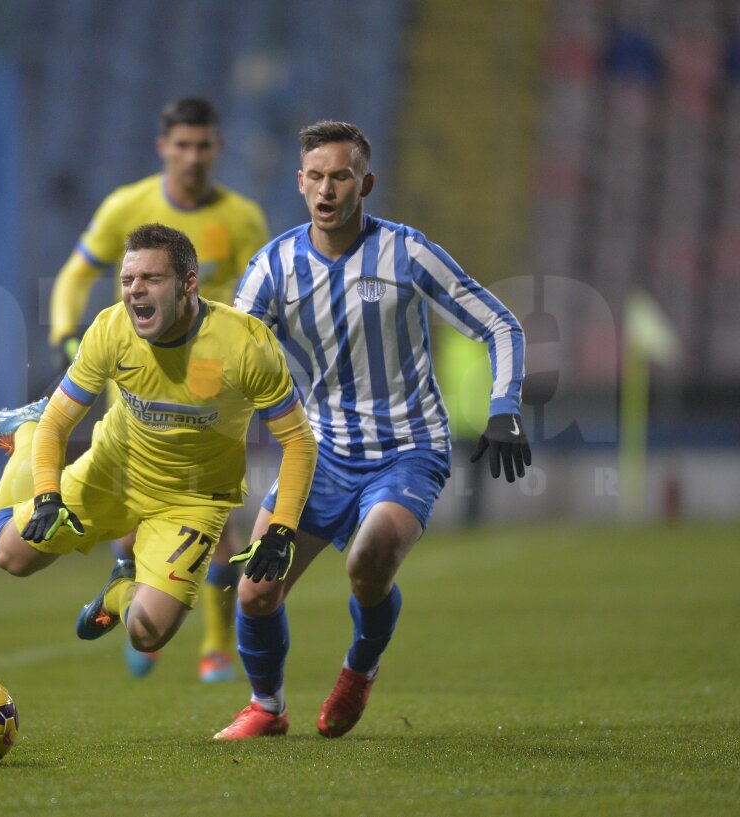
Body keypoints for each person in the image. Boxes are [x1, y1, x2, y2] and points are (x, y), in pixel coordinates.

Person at [215, 121, 530, 739]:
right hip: (320, 455)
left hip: (409, 448)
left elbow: (500, 324)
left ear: (366, 183)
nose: (327, 190)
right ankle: (268, 708)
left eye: (341, 176)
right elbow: (229, 359)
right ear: (300, 182)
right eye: (316, 177)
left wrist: (505, 406)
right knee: (254, 593)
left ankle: (361, 665)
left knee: (369, 558)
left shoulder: (406, 253)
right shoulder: (273, 268)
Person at [0, 224, 316, 669]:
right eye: (127, 280)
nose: (135, 291)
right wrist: (46, 494)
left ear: (188, 283)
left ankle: (119, 591)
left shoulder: (246, 345)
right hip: (113, 471)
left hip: (192, 501)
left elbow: (298, 442)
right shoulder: (111, 329)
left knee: (146, 632)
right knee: (10, 555)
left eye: (151, 279)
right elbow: (58, 421)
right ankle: (24, 431)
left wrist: (282, 529)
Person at [47, 97, 271, 681]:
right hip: (140, 378)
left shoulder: (243, 217)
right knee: (135, 518)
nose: (192, 156)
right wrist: (65, 336)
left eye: (203, 145)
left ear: (218, 149)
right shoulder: (129, 205)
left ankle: (215, 644)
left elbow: (264, 296)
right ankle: (135, 598)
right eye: (182, 145)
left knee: (212, 515)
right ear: (163, 147)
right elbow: (76, 273)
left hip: (213, 386)